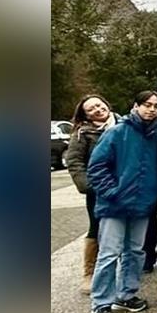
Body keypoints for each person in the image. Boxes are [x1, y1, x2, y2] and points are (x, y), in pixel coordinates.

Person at [85, 91, 157, 313]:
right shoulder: (117, 132)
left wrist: (153, 194)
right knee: (109, 253)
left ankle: (126, 294)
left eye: (156, 106)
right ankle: (100, 303)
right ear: (136, 106)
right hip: (114, 206)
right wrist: (112, 192)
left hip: (142, 205)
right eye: (147, 105)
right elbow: (97, 166)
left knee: (135, 251)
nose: (151, 109)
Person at [66, 94, 118, 295]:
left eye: (99, 105)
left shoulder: (122, 124)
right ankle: (89, 272)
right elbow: (75, 163)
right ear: (85, 115)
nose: (97, 109)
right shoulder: (82, 134)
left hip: (124, 187)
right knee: (96, 228)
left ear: (106, 104)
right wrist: (90, 186)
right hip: (99, 190)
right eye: (91, 109)